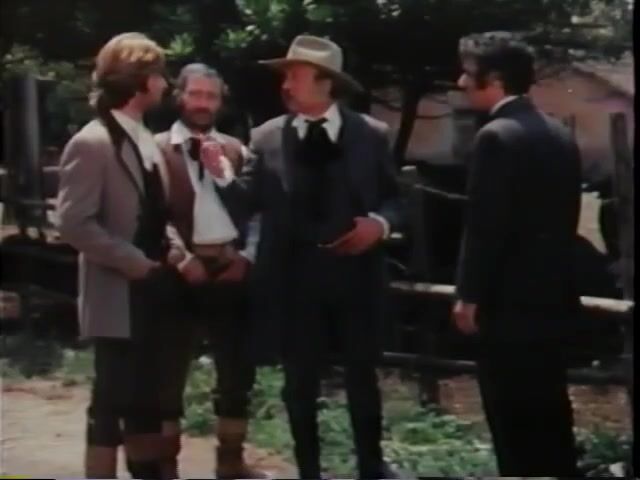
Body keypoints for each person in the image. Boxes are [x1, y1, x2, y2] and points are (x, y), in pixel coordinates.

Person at [204, 35, 403, 479]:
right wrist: (222, 176)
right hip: (295, 283)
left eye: (295, 75)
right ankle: (308, 470)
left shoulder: (370, 135)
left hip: (356, 279)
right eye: (285, 76)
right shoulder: (267, 137)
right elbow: (246, 203)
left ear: (325, 82)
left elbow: (395, 199)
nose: (286, 85)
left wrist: (379, 224)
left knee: (362, 380)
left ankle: (371, 469)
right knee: (299, 385)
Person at [452, 31, 582, 477]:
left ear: (495, 79)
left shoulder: (495, 137)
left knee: (511, 423)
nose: (461, 82)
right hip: (552, 301)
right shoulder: (558, 133)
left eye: (468, 73)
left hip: (506, 306)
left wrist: (468, 295)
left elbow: (485, 226)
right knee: (551, 417)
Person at [57, 32, 181, 479]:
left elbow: (157, 210)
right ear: (138, 80)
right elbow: (74, 223)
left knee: (148, 398)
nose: (165, 84)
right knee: (112, 399)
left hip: (154, 290)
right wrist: (131, 260)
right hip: (117, 293)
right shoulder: (92, 143)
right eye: (159, 74)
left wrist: (174, 248)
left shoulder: (145, 139)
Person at [154, 63, 266, 479]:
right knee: (168, 374)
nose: (203, 104)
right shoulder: (156, 150)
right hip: (177, 274)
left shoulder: (238, 150)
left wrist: (246, 256)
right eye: (196, 94)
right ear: (179, 97)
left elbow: (258, 210)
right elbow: (152, 213)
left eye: (211, 96)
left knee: (237, 374)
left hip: (230, 272)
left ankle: (231, 462)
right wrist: (181, 258)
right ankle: (166, 465)